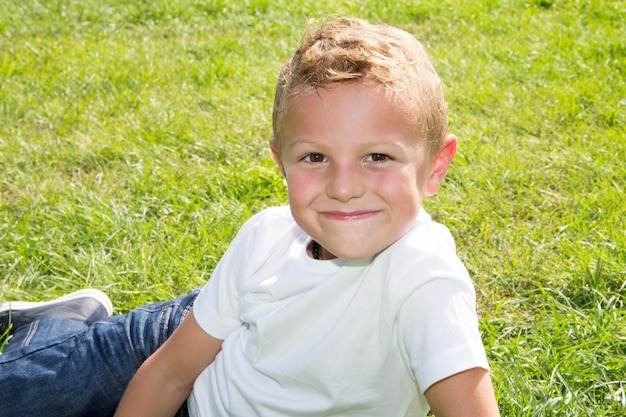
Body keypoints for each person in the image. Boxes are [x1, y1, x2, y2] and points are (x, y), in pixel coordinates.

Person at [0, 17, 500, 417]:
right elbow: (172, 372)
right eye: (315, 157)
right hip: (193, 335)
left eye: (378, 157)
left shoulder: (424, 281)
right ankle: (64, 328)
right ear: (280, 161)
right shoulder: (265, 235)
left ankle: (62, 323)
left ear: (435, 167)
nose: (344, 188)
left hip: (241, 333)